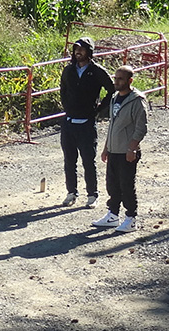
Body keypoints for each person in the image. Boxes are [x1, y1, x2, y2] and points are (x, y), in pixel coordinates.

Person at [59, 37, 114, 208]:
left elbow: (111, 89)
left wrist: (99, 110)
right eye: (76, 49)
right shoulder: (68, 70)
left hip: (87, 124)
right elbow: (63, 89)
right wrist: (67, 106)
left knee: (88, 161)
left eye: (82, 49)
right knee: (69, 161)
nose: (78, 52)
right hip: (69, 123)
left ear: (89, 52)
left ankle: (92, 195)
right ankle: (71, 193)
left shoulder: (97, 71)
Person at [93, 65, 148, 233]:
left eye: (120, 79)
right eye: (115, 78)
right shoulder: (114, 98)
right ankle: (113, 215)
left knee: (126, 185)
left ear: (130, 81)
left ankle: (131, 218)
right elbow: (112, 125)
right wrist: (106, 148)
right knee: (112, 184)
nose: (116, 82)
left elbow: (141, 127)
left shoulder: (137, 100)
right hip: (114, 150)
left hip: (127, 152)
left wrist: (131, 149)